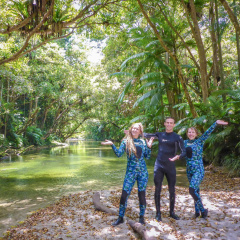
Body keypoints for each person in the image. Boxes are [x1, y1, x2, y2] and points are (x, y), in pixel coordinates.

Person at [170, 120, 228, 219]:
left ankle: (203, 210)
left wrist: (216, 123)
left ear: (196, 134)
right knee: (196, 190)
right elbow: (173, 143)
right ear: (187, 133)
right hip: (189, 170)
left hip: (198, 170)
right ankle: (197, 212)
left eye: (193, 132)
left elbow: (207, 132)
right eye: (189, 132)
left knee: (192, 190)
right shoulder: (184, 142)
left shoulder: (199, 141)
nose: (191, 134)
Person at [101, 123, 154, 226]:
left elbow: (147, 157)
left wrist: (149, 147)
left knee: (141, 195)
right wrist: (112, 144)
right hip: (130, 172)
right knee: (124, 195)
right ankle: (120, 218)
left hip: (143, 172)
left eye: (137, 129)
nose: (134, 130)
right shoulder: (126, 141)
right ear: (131, 130)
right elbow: (118, 154)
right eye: (133, 128)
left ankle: (141, 218)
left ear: (140, 131)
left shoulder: (143, 142)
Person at [144, 117, 186, 222]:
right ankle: (158, 213)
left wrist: (178, 157)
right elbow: (146, 135)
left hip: (170, 166)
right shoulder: (160, 134)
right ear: (164, 123)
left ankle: (172, 212)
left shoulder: (177, 137)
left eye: (171, 123)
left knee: (172, 190)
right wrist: (131, 132)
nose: (169, 124)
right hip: (159, 165)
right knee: (157, 189)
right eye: (167, 122)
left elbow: (184, 151)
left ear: (174, 125)